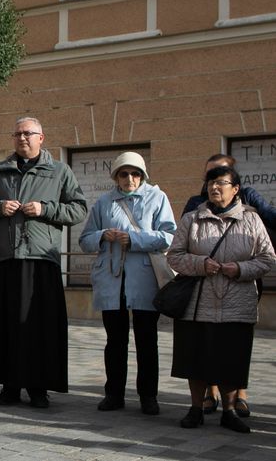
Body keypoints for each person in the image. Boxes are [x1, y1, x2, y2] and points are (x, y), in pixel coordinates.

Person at [0, 117, 87, 408]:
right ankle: (9, 387)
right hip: (7, 259)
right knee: (6, 326)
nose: (22, 138)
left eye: (28, 133)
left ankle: (39, 388)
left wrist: (46, 209)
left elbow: (79, 209)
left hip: (41, 259)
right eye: (18, 133)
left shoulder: (59, 171)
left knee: (39, 327)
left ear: (41, 138)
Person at [167, 165, 274, 433]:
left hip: (237, 303)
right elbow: (174, 256)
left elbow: (267, 258)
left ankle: (229, 412)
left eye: (221, 183)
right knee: (195, 358)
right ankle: (195, 409)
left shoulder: (251, 220)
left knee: (231, 359)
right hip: (196, 303)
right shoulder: (192, 219)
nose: (214, 187)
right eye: (211, 182)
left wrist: (239, 269)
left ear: (236, 189)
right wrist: (202, 263)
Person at [78, 152, 175, 415]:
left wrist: (134, 239)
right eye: (123, 173)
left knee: (147, 340)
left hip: (144, 279)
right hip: (112, 279)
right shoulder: (105, 202)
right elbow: (85, 240)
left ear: (142, 175)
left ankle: (148, 396)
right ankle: (114, 394)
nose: (129, 179)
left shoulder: (157, 197)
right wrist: (102, 235)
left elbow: (168, 236)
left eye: (135, 173)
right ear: (116, 177)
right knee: (115, 340)